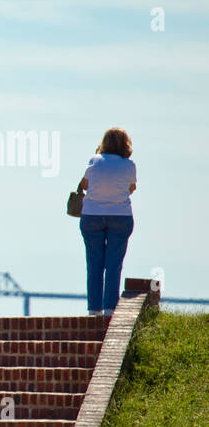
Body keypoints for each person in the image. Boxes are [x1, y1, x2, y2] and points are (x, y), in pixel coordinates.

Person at [78, 127, 137, 316]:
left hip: (92, 215)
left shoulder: (94, 161)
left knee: (94, 263)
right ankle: (110, 309)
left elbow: (85, 185)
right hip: (120, 215)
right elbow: (131, 188)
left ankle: (93, 310)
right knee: (113, 264)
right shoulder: (129, 165)